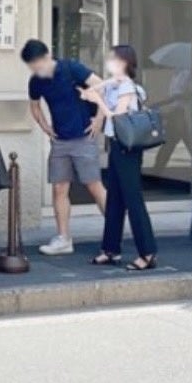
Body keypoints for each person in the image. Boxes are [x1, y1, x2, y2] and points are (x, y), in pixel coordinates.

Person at [21, 39, 105, 256]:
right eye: (32, 67)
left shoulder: (71, 68)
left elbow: (101, 86)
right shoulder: (36, 81)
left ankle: (113, 230)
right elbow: (34, 105)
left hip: (83, 136)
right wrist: (45, 127)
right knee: (59, 188)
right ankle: (63, 238)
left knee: (93, 185)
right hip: (59, 141)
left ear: (47, 57)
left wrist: (99, 119)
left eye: (38, 65)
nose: (36, 70)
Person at [80, 45, 158, 270]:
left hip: (128, 149)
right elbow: (98, 87)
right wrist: (94, 92)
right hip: (117, 146)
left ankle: (148, 252)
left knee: (133, 200)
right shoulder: (115, 83)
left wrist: (99, 102)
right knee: (115, 199)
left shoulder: (127, 87)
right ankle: (110, 249)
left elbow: (117, 117)